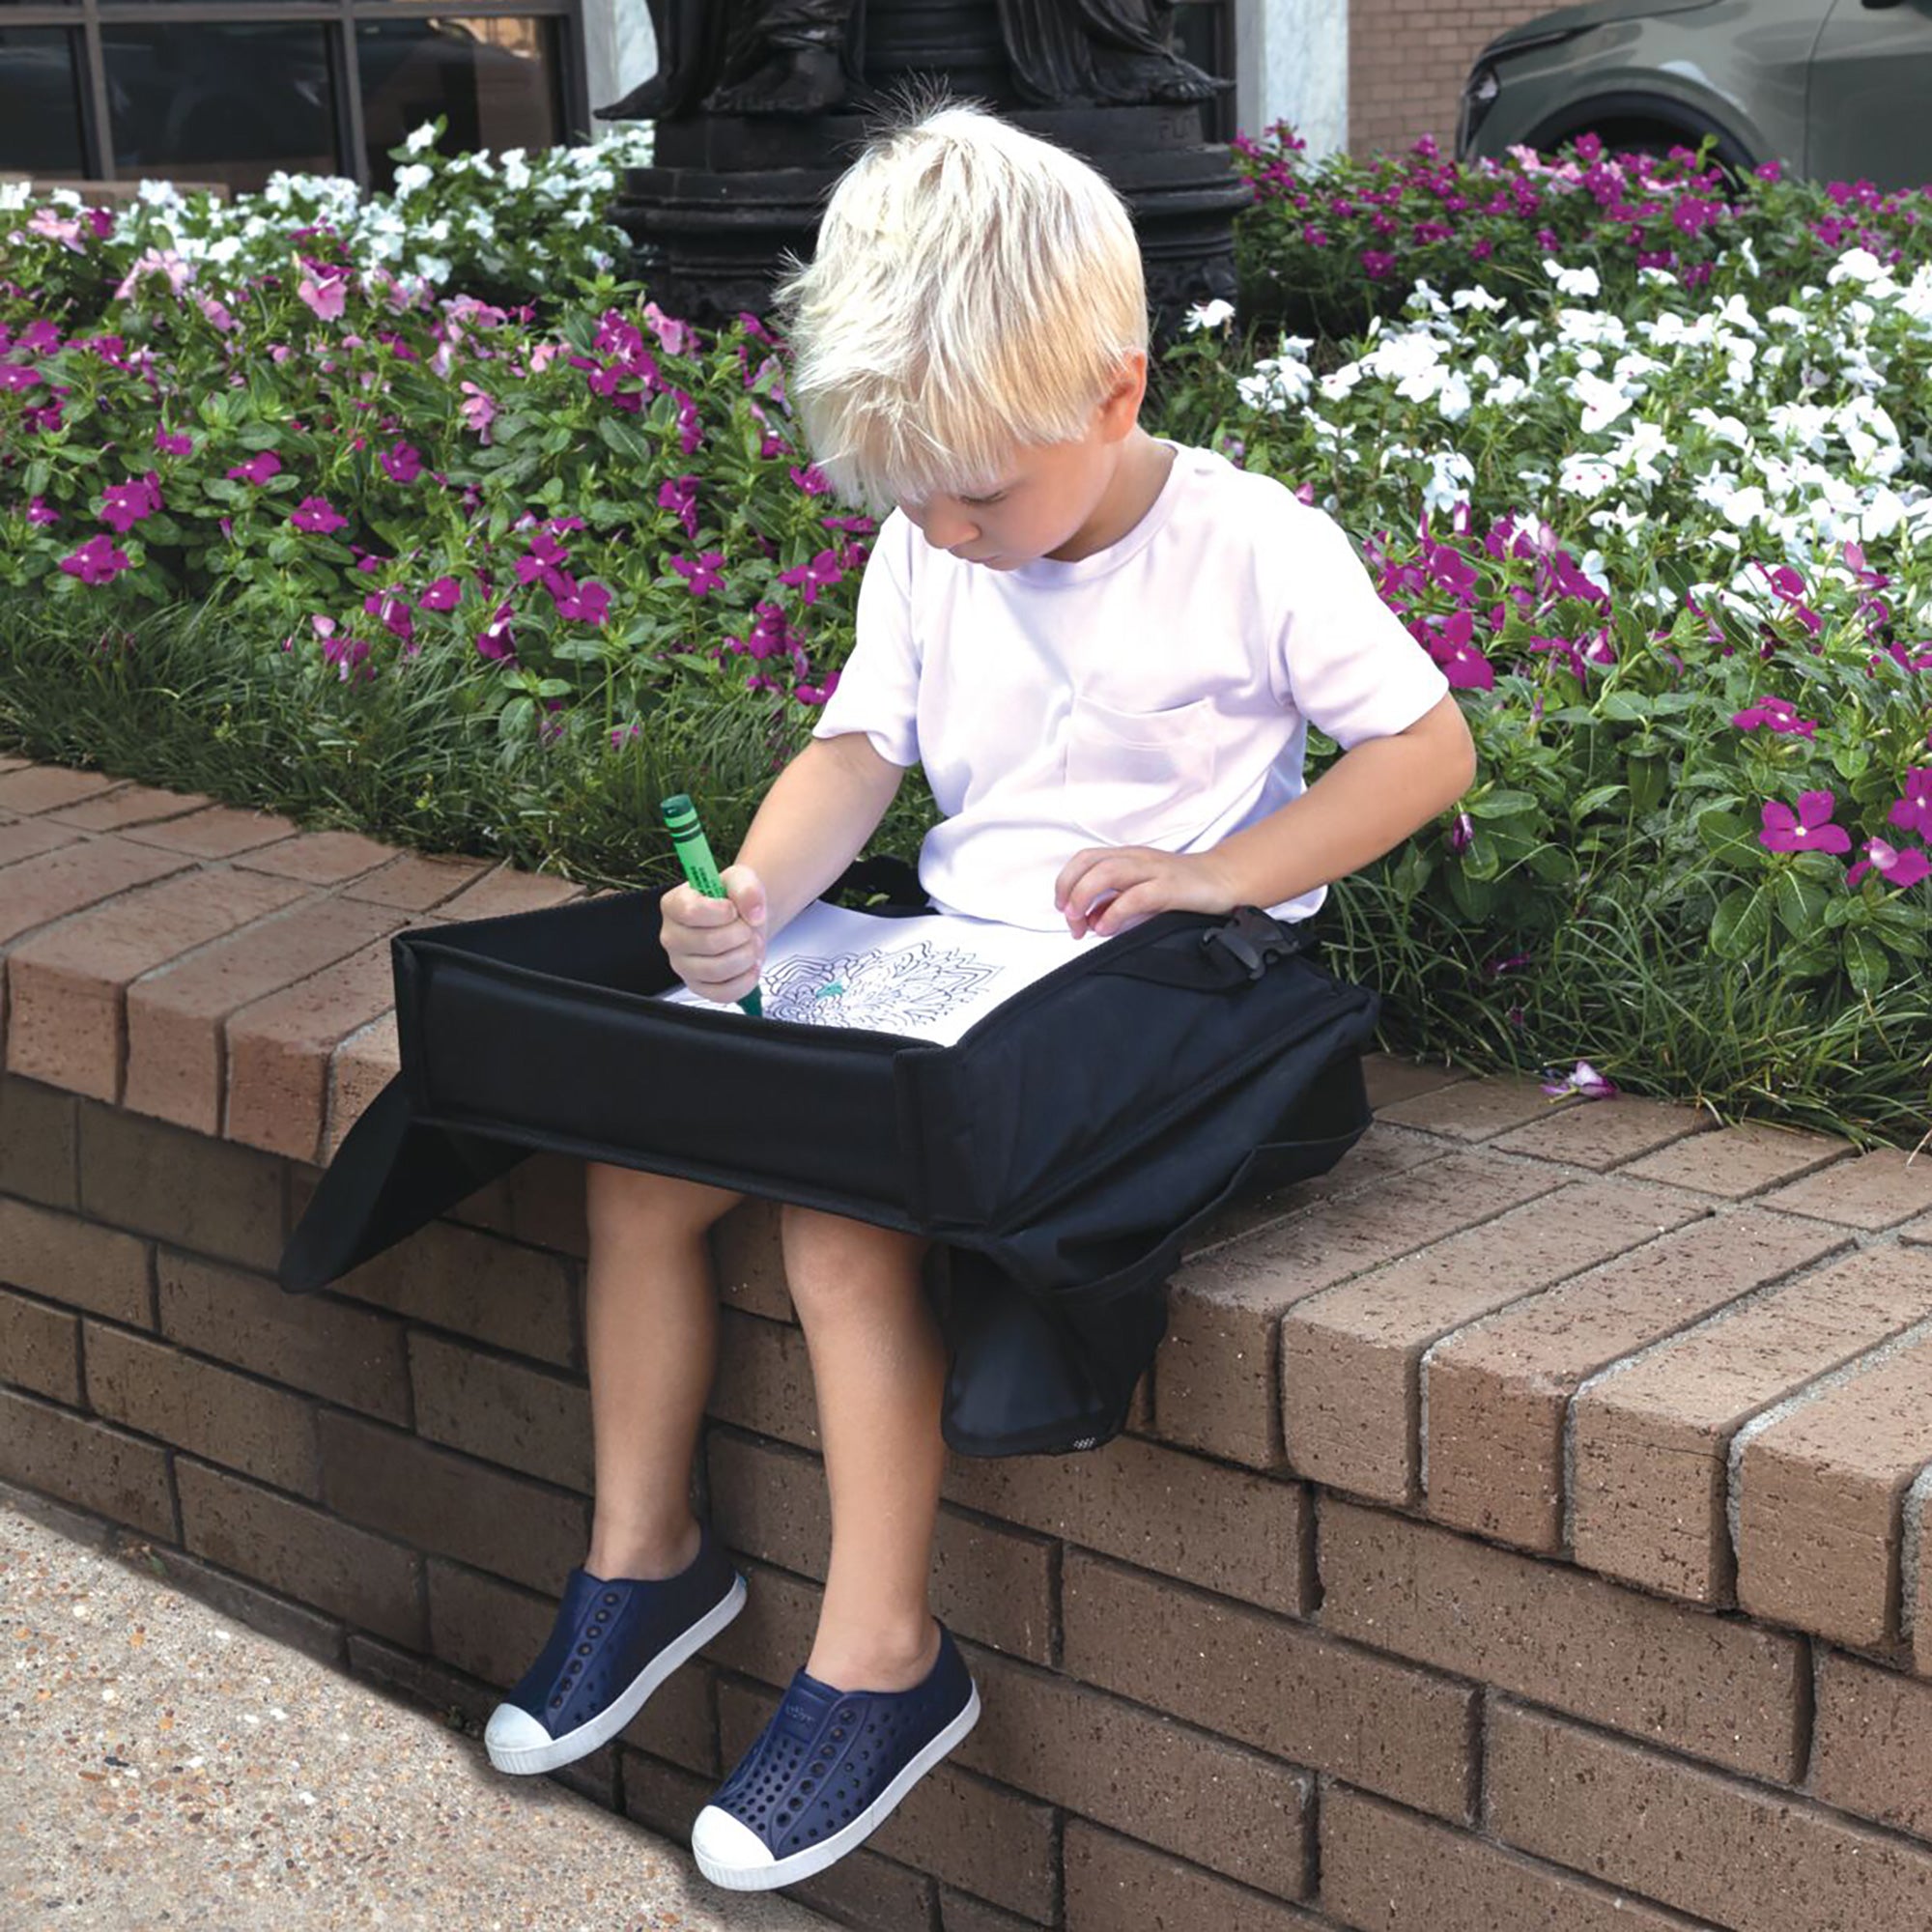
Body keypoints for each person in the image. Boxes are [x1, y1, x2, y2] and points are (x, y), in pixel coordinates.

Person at [481, 100, 1476, 1893]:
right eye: (912, 492)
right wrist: (763, 892)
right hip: (951, 976)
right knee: (640, 1167)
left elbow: (1424, 747)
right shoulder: (934, 540)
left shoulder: (1251, 545)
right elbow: (860, 744)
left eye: (977, 487)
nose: (946, 526)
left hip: (1159, 984)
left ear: (1115, 389)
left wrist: (1222, 870)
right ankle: (648, 1561)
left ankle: (882, 1657)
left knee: (844, 1227)